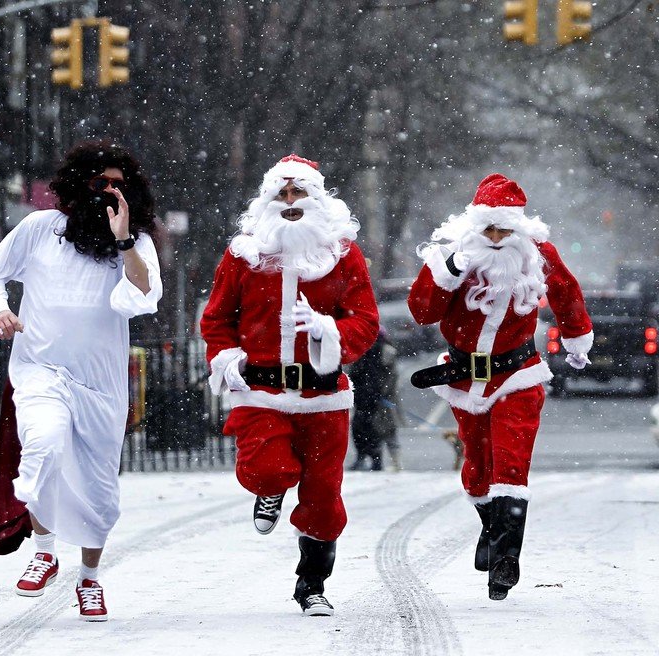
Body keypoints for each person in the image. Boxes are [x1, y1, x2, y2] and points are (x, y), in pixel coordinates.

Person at [0, 140, 163, 620]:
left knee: (99, 487)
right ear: (79, 186)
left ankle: (90, 579)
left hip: (100, 384)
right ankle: (43, 550)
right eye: (99, 183)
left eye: (118, 186)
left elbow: (143, 296)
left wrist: (123, 240)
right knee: (42, 444)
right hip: (40, 368)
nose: (108, 192)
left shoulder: (135, 244)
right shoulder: (41, 229)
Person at [200, 154, 379, 616]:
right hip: (262, 392)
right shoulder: (243, 254)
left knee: (323, 496)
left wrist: (328, 330)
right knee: (265, 469)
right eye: (281, 194)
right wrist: (225, 356)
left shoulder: (342, 253)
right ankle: (271, 490)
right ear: (267, 201)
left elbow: (365, 320)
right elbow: (217, 318)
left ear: (319, 200)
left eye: (299, 193)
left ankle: (312, 583)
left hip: (324, 395)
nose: (290, 202)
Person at [407, 173, 593, 600]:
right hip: (463, 375)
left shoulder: (537, 256)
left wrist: (576, 336)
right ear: (474, 227)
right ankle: (491, 527)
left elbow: (566, 292)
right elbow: (421, 311)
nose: (495, 238)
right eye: (488, 229)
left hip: (518, 374)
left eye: (504, 229)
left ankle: (507, 557)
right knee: (476, 468)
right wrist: (450, 272)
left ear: (519, 229)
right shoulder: (452, 258)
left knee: (511, 462)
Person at [348, 327, 401, 472]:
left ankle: (373, 459)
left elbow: (391, 377)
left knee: (373, 429)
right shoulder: (364, 350)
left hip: (374, 399)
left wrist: (381, 393)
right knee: (368, 428)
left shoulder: (375, 351)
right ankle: (372, 459)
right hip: (367, 397)